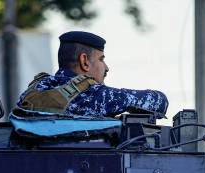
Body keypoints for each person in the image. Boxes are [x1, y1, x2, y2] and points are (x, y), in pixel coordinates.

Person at [17, 31, 169, 118]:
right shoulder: (93, 96)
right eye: (101, 59)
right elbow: (159, 101)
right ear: (85, 61)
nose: (106, 67)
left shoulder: (32, 92)